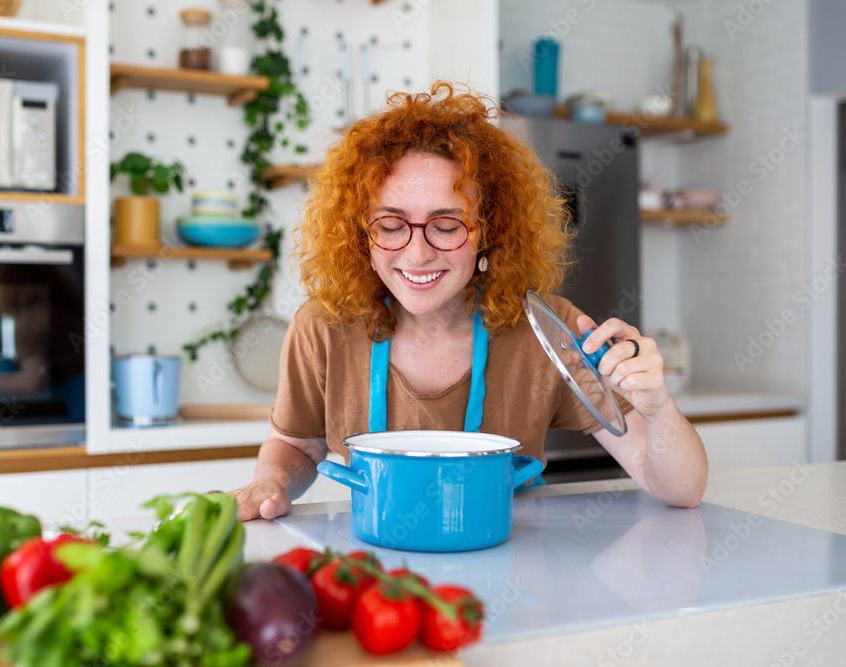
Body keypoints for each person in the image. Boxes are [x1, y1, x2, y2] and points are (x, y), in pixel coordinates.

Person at [230, 81, 708, 521]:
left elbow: (680, 489)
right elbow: (296, 445)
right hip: (376, 564)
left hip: (512, 564)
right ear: (362, 234)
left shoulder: (550, 330)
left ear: (490, 230)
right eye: (391, 225)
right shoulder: (323, 326)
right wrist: (271, 481)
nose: (417, 253)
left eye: (446, 224)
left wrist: (657, 405)